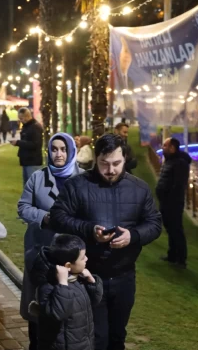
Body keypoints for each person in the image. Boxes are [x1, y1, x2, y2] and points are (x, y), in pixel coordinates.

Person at [50, 134, 162, 350]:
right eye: (104, 163)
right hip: (88, 277)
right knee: (97, 338)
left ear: (125, 158)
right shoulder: (77, 185)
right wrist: (89, 230)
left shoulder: (139, 188)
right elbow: (57, 217)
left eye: (116, 163)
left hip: (124, 277)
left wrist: (133, 236)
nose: (110, 170)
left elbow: (154, 223)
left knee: (118, 336)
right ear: (96, 159)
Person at [18, 133, 82, 350]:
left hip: (71, 256)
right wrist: (44, 217)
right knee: (38, 307)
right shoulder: (38, 177)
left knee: (66, 308)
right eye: (54, 149)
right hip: (40, 251)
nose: (58, 154)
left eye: (63, 149)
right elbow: (23, 207)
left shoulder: (83, 178)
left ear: (71, 151)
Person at [29, 234, 103, 350]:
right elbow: (59, 313)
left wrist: (91, 281)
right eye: (82, 258)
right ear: (68, 265)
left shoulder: (76, 278)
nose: (86, 259)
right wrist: (63, 284)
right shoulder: (48, 286)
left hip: (83, 343)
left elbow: (94, 301)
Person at [156, 137, 192, 268]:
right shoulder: (169, 160)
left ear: (172, 148)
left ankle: (181, 260)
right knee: (170, 229)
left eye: (165, 145)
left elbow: (178, 185)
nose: (162, 148)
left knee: (176, 229)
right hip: (166, 202)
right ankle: (172, 255)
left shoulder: (180, 163)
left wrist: (169, 198)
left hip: (173, 203)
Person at [11, 108, 43, 186]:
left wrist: (18, 143)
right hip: (27, 160)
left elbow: (35, 144)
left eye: (21, 118)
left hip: (33, 161)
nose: (20, 120)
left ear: (27, 116)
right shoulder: (27, 126)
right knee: (27, 185)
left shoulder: (35, 127)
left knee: (32, 185)